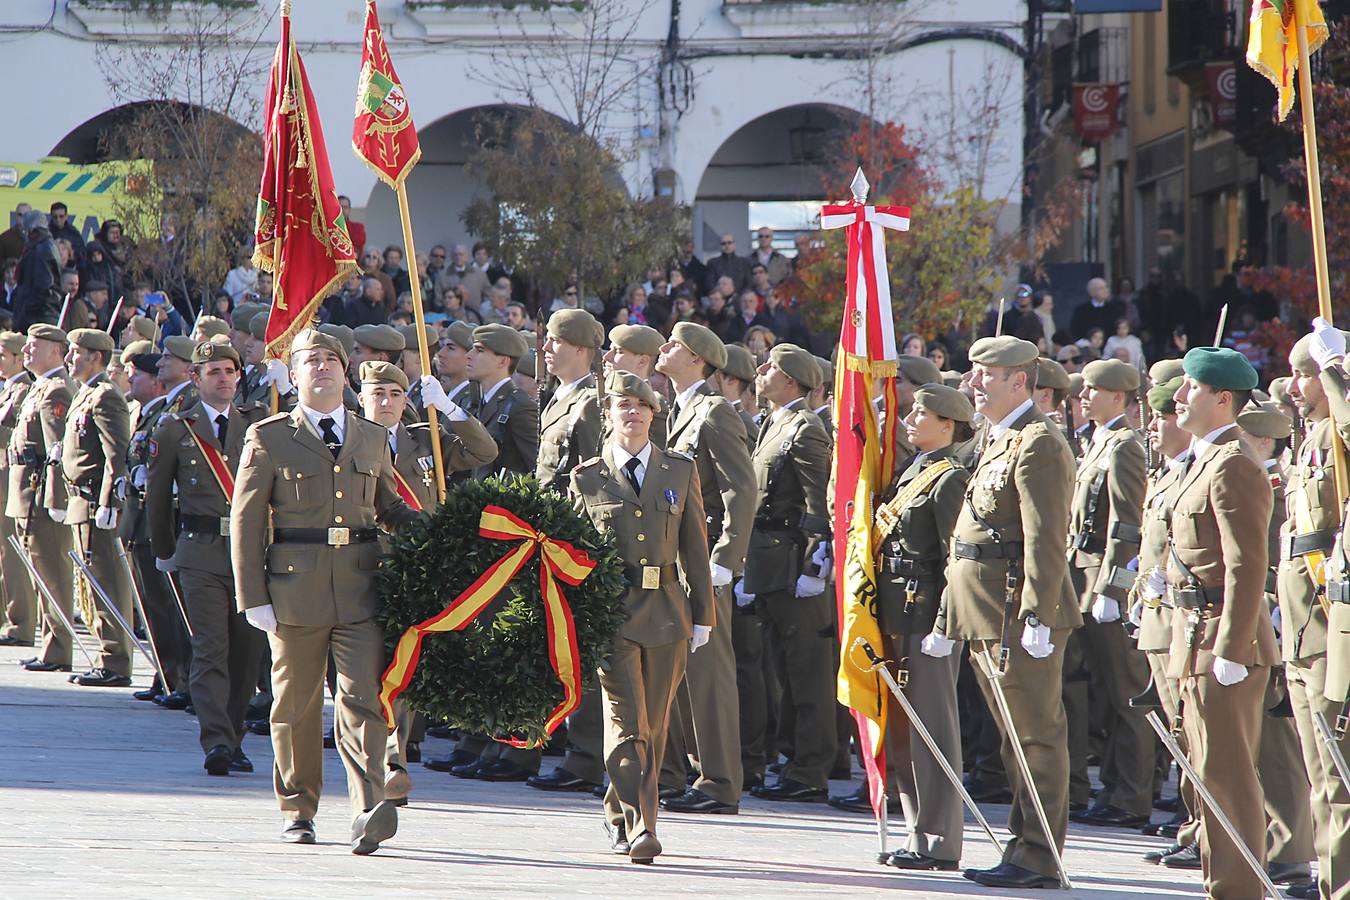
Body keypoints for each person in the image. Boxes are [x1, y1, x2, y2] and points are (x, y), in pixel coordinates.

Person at [231, 327, 422, 854]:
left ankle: (368, 808)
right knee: (295, 706)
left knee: (365, 698)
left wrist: (437, 535)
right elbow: (247, 522)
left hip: (362, 586)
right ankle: (298, 809)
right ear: (292, 376)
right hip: (294, 591)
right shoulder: (268, 437)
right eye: (310, 361)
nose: (322, 368)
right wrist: (254, 598)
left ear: (345, 372)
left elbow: (389, 508)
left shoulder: (371, 436)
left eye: (331, 360)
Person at [939, 335, 1080, 889]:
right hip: (985, 610)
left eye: (984, 375)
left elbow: (1046, 537)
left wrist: (1039, 614)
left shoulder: (1039, 441)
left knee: (1036, 735)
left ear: (1018, 381)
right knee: (1012, 737)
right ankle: (1023, 846)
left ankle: (1040, 854)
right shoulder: (1002, 438)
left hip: (1016, 614)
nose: (972, 384)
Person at [570, 370, 714, 864]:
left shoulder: (679, 469)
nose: (631, 413)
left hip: (669, 609)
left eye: (640, 405)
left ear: (654, 413)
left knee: (652, 724)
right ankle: (643, 826)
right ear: (607, 416)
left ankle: (617, 809)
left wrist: (704, 616)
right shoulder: (588, 476)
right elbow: (575, 555)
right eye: (621, 406)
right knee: (627, 718)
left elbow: (696, 545)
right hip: (612, 612)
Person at [1166, 346, 1279, 899]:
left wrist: (1232, 648)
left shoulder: (1233, 462)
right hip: (1196, 632)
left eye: (1191, 388)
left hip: (1222, 639)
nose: (1179, 396)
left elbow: (1246, 563)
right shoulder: (1204, 457)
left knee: (1228, 777)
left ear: (1222, 399)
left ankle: (1238, 891)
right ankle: (1222, 883)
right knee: (1207, 774)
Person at [146, 339, 266, 774]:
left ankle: (233, 738)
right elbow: (157, 500)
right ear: (195, 379)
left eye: (230, 371)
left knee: (247, 654)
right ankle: (215, 740)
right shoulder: (176, 429)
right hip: (199, 553)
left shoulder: (257, 426)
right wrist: (163, 551)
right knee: (211, 648)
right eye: (213, 371)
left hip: (249, 555)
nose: (224, 378)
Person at [654, 323, 754, 816]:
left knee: (710, 672)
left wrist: (726, 559)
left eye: (673, 345)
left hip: (705, 556)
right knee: (677, 667)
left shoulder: (713, 412)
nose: (662, 349)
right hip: (676, 555)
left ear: (698, 361)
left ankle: (719, 781)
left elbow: (742, 488)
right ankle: (678, 772)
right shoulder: (677, 409)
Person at [873, 383, 973, 871]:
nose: (910, 419)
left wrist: (946, 622)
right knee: (905, 731)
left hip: (927, 615)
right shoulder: (913, 469)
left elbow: (955, 559)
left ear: (948, 426)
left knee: (932, 728)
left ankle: (939, 841)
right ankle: (918, 832)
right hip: (897, 612)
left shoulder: (949, 477)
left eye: (922, 413)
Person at [741, 343, 834, 802]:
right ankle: (791, 761)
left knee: (807, 672)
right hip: (769, 561)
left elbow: (822, 503)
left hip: (795, 562)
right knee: (783, 667)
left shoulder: (806, 429)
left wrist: (817, 562)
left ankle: (810, 770)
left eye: (771, 368)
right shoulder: (773, 423)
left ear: (792, 382)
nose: (760, 372)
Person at [1064, 360, 1151, 829]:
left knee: (1126, 692)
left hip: (1103, 576)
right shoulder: (1095, 442)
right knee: (1104, 689)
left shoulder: (1124, 447)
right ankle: (1114, 787)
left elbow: (1127, 524)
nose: (1083, 396)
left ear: (1119, 397)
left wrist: (1114, 586)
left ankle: (1132, 795)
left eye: (1094, 390)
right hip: (1082, 574)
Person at [1287, 322, 1350, 899]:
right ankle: (1328, 878)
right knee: (1319, 774)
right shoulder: (1306, 441)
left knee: (1342, 774)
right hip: (1303, 621)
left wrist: (1338, 373)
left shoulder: (1340, 433)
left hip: (1335, 623)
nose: (1293, 384)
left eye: (1303, 373)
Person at [60, 328, 135, 688]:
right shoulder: (85, 394)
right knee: (90, 581)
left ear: (96, 357)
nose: (69, 358)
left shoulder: (105, 396)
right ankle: (107, 653)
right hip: (79, 500)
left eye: (76, 352)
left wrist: (109, 501)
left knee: (106, 580)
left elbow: (117, 453)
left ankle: (115, 659)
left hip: (94, 502)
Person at [10, 324, 78, 675]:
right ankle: (50, 646)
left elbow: (58, 451)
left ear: (56, 352)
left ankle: (58, 649)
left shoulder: (56, 391)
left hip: (40, 493)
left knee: (53, 574)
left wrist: (55, 498)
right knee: (39, 573)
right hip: (26, 491)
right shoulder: (40, 387)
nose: (26, 351)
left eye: (34, 346)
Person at [535, 310, 603, 493]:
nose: (545, 347)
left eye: (556, 341)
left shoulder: (590, 403)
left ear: (580, 349)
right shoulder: (555, 396)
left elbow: (591, 475)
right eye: (547, 339)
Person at [0, 332, 36, 646]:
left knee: (12, 552)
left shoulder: (23, 389)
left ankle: (21, 622)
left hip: (10, 478)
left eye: (2, 354)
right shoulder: (9, 388)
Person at [1070, 278, 1125, 342]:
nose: (1106, 290)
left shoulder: (1116, 309)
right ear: (1091, 292)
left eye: (1106, 287)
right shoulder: (1081, 310)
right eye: (1101, 288)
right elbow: (1075, 331)